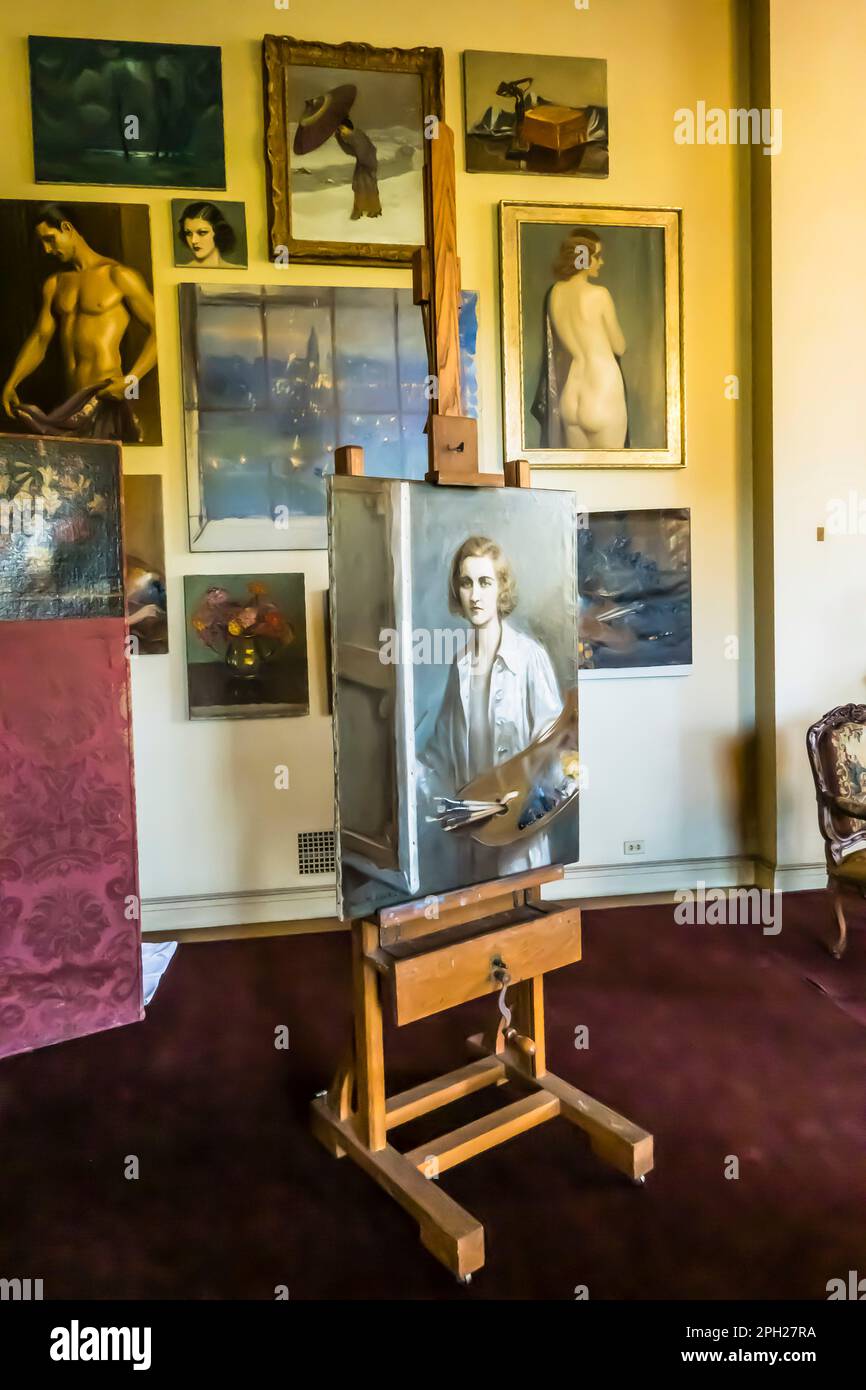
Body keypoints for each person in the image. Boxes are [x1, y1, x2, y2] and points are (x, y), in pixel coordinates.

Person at [420, 535, 563, 872]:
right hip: (474, 832)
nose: (475, 595)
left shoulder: (529, 658)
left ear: (501, 588)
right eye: (466, 583)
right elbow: (442, 753)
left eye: (485, 582)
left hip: (520, 831)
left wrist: (523, 805)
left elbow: (556, 748)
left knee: (519, 906)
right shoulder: (460, 665)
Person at [1, 204, 157, 443]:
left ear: (67, 228)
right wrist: (12, 382)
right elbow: (40, 338)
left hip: (107, 396)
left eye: (50, 239)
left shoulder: (118, 275)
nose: (46, 249)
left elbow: (162, 331)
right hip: (70, 401)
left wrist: (130, 381)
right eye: (42, 243)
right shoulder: (55, 284)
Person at [532, 227, 628, 450]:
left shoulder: (555, 293)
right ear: (582, 258)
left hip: (572, 393)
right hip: (602, 387)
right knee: (614, 475)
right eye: (597, 256)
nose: (600, 262)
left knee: (577, 476)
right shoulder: (599, 294)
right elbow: (619, 346)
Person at [335, 118, 382, 220]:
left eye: (342, 128)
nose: (341, 131)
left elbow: (363, 152)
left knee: (368, 186)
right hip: (363, 165)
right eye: (340, 129)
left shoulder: (357, 136)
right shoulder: (353, 137)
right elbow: (350, 151)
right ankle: (359, 210)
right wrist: (339, 138)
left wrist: (369, 168)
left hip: (368, 164)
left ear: (349, 128)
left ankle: (374, 209)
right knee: (360, 187)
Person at [178, 202, 237, 268]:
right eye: (188, 233)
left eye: (202, 232)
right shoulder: (180, 270)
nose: (193, 241)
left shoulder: (237, 270)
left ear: (218, 232)